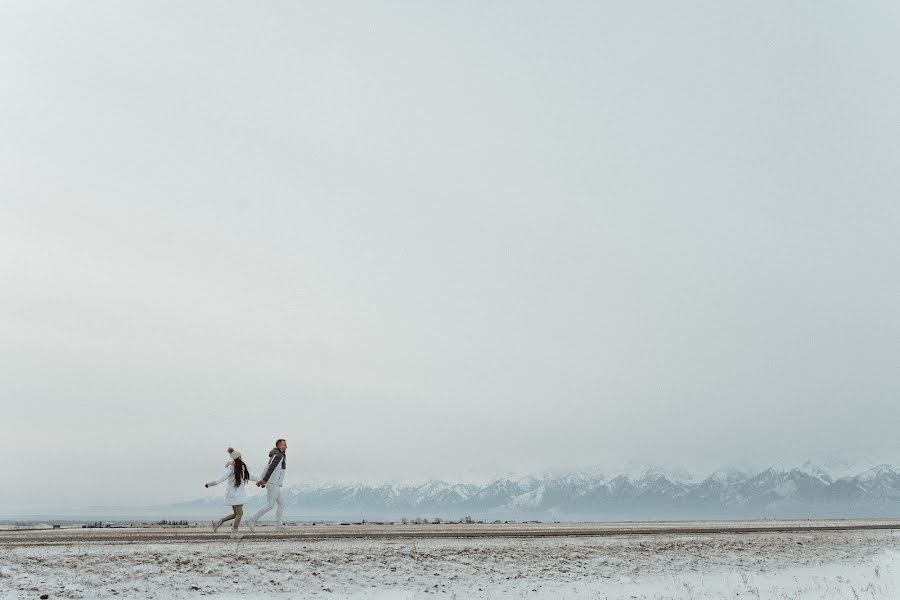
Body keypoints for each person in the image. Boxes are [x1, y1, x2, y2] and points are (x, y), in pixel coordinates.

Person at [205, 447, 260, 539]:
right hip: (233, 494)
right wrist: (211, 483)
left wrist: (261, 480)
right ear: (237, 458)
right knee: (240, 513)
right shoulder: (231, 469)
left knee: (236, 514)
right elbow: (222, 478)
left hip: (239, 495)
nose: (242, 458)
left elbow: (249, 476)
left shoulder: (241, 468)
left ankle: (217, 522)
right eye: (240, 457)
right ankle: (234, 532)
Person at [246, 438, 287, 532]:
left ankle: (279, 525)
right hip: (273, 483)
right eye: (284, 445)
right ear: (279, 446)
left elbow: (267, 468)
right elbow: (270, 468)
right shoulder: (278, 456)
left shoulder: (279, 455)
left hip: (274, 483)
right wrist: (264, 480)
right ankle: (251, 520)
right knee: (270, 505)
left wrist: (264, 480)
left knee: (281, 503)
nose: (286, 446)